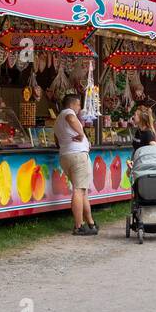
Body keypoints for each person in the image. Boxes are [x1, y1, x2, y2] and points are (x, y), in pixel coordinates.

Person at [56, 93, 96, 235]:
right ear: (72, 104)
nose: (79, 107)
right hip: (78, 155)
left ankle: (90, 222)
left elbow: (56, 140)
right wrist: (82, 134)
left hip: (65, 155)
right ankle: (79, 225)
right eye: (78, 104)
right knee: (79, 190)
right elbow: (72, 119)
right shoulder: (68, 113)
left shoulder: (58, 119)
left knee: (81, 190)